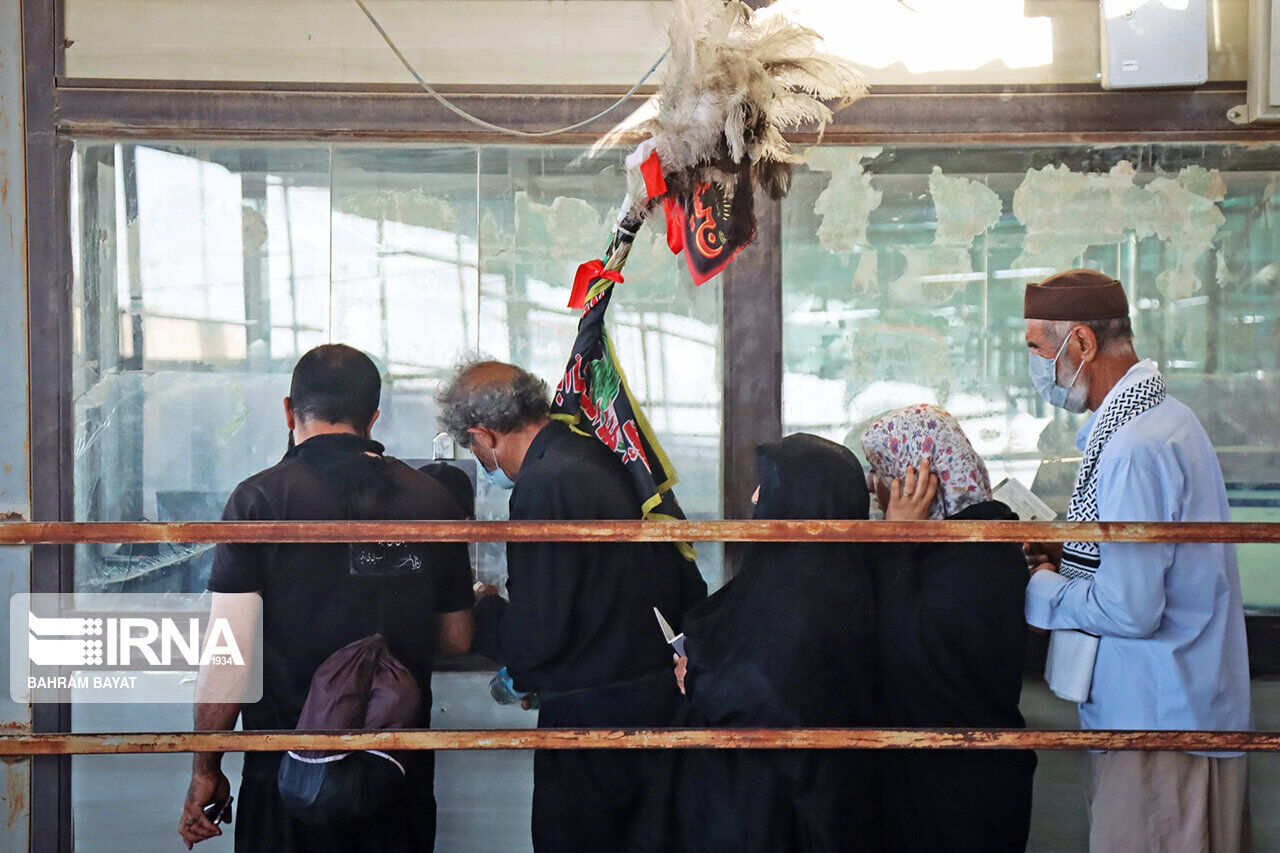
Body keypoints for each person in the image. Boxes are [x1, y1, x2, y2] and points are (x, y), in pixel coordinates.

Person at [179, 344, 475, 851]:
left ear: (290, 410)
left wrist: (206, 767)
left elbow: (228, 654)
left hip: (288, 772)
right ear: (373, 417)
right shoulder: (431, 499)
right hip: (395, 770)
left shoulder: (260, 499)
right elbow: (456, 637)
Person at [436, 359, 708, 852]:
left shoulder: (545, 483)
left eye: (472, 446)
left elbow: (539, 633)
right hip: (652, 697)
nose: (478, 457)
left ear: (484, 435)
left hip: (591, 721)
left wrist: (485, 610)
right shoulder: (596, 450)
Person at [1022, 269, 1252, 852]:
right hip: (1171, 713)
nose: (1034, 368)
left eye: (1035, 349)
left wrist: (1043, 584)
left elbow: (1130, 610)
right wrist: (1073, 554)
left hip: (1157, 724)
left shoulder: (1133, 446)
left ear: (1080, 344)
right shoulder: (1161, 421)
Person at [672, 433, 878, 853]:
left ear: (801, 498)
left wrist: (697, 679)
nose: (753, 496)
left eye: (767, 484)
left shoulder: (807, 591)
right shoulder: (825, 571)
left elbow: (768, 693)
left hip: (778, 809)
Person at [860, 404, 1036, 853]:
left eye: (883, 471)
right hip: (968, 779)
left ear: (917, 482)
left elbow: (906, 650)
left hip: (955, 788)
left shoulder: (972, 556)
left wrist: (896, 540)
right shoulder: (980, 541)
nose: (874, 486)